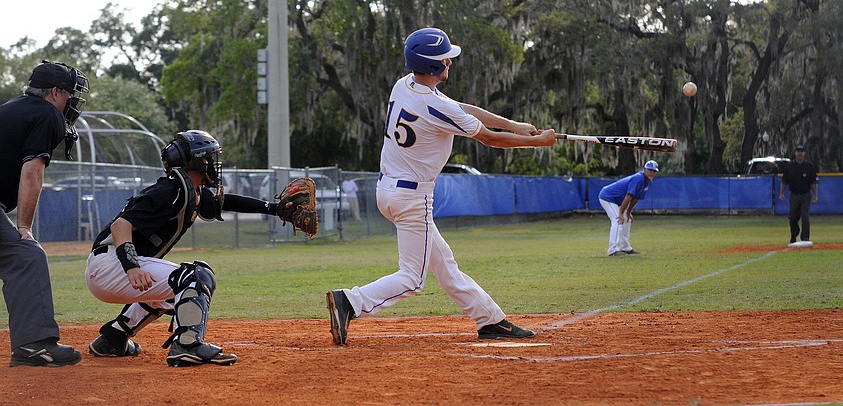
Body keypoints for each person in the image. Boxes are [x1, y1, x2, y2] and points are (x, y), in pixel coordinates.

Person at [325, 27, 556, 345]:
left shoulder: (404, 85)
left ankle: (490, 320)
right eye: (445, 58)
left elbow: (460, 109)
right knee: (412, 279)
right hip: (412, 197)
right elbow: (487, 138)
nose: (450, 62)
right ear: (434, 66)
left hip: (389, 190)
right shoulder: (437, 107)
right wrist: (537, 143)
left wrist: (513, 124)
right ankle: (349, 302)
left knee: (445, 265)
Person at [84, 130, 310, 367]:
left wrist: (274, 209)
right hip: (111, 266)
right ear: (196, 161)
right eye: (210, 158)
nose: (214, 164)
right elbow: (121, 225)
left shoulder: (187, 191)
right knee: (195, 277)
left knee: (175, 292)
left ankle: (113, 338)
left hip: (108, 269)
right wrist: (132, 267)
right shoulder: (171, 191)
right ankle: (187, 344)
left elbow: (227, 201)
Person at [1, 60, 89, 367]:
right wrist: (24, 226)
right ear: (54, 92)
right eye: (68, 95)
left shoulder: (12, 108)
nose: (71, 103)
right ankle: (33, 345)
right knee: (26, 255)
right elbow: (32, 172)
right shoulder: (48, 114)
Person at [598, 160, 659, 256]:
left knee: (627, 219)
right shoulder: (639, 178)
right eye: (650, 170)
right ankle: (612, 250)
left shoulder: (648, 182)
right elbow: (629, 195)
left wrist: (628, 212)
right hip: (607, 197)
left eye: (654, 171)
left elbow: (636, 198)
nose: (652, 172)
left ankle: (625, 247)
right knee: (618, 220)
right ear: (644, 170)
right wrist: (621, 213)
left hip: (618, 200)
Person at [779, 144, 819, 243]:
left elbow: (813, 183)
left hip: (805, 194)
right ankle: (794, 233)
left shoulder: (809, 167)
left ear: (804, 153)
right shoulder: (790, 167)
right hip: (794, 194)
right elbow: (784, 181)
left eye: (802, 151)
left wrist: (815, 195)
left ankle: (805, 237)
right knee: (792, 217)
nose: (800, 154)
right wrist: (782, 193)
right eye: (798, 151)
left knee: (805, 216)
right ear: (795, 153)